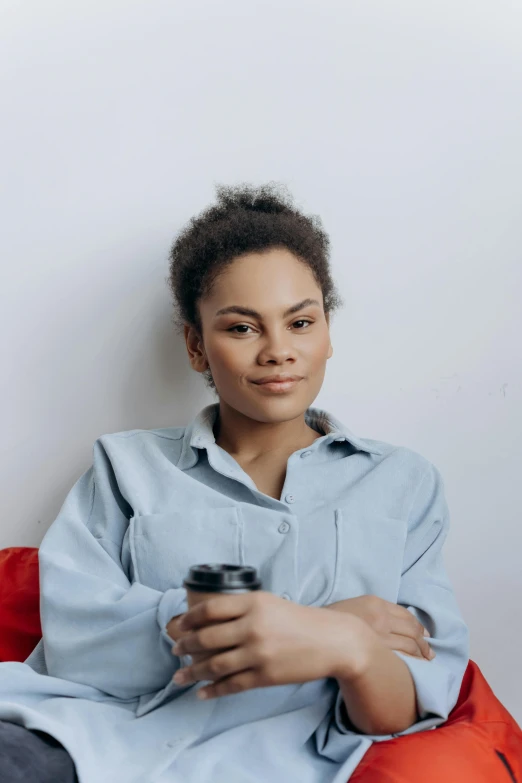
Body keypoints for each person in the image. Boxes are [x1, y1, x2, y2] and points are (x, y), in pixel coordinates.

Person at [0, 183, 469, 783]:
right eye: (243, 329)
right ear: (197, 346)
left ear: (328, 333)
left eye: (300, 322)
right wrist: (312, 619)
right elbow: (77, 641)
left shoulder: (403, 484)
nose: (278, 351)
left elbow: (413, 695)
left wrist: (344, 644)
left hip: (277, 763)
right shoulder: (124, 468)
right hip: (83, 738)